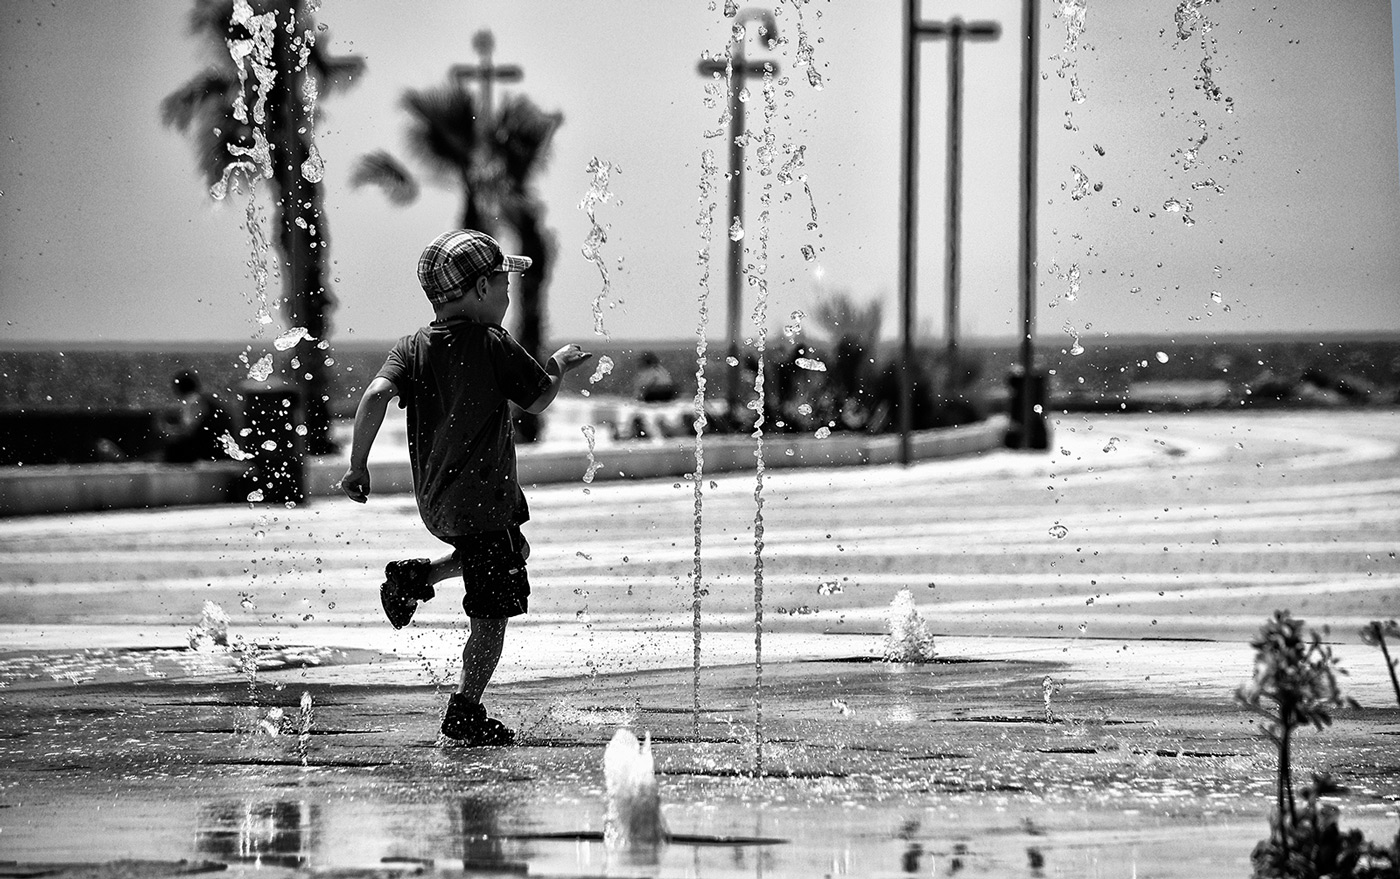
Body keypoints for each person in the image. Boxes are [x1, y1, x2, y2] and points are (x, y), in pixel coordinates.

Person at [339, 229, 592, 747]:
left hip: (438, 505)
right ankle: (466, 708)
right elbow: (539, 399)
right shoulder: (491, 342)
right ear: (479, 289)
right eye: (503, 283)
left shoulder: (411, 347)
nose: (507, 295)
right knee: (491, 616)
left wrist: (357, 466)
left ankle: (414, 577)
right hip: (485, 502)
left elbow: (375, 395)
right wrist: (561, 366)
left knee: (505, 551)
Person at [162, 369, 239, 463]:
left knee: (172, 449)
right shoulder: (206, 400)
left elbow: (188, 431)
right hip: (222, 447)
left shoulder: (193, 401)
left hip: (209, 450)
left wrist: (166, 430)